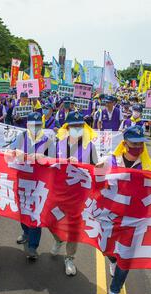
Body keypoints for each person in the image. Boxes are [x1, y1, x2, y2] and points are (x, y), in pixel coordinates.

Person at [95, 126, 151, 294]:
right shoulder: (110, 160)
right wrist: (98, 170)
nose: (138, 148)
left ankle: (114, 292)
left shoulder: (148, 167)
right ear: (124, 143)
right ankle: (113, 261)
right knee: (106, 249)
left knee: (126, 257)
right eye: (134, 143)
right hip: (111, 216)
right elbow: (97, 185)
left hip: (135, 219)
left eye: (141, 144)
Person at [53, 111, 98, 276]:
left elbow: (95, 168)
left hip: (78, 195)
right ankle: (58, 238)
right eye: (73, 126)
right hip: (58, 191)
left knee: (73, 226)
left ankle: (70, 258)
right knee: (50, 218)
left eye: (80, 126)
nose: (77, 129)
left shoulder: (90, 146)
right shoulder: (57, 144)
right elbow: (44, 163)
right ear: (67, 127)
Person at [11, 112, 54, 260]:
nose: (34, 127)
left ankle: (33, 246)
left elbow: (55, 161)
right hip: (22, 181)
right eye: (32, 125)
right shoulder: (20, 137)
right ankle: (25, 232)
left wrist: (45, 158)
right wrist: (14, 153)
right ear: (27, 125)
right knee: (23, 210)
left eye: (37, 125)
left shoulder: (48, 141)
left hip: (39, 183)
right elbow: (7, 154)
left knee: (36, 213)